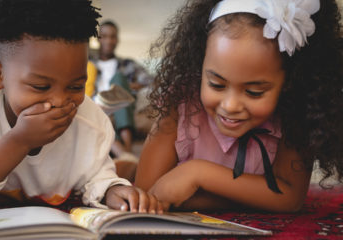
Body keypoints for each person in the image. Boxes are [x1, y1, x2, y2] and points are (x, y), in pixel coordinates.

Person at [0, 0, 164, 214]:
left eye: (76, 86)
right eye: (41, 86)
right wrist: (19, 141)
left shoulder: (91, 122)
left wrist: (113, 190)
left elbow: (98, 178)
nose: (59, 101)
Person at [135, 0, 343, 212]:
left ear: (291, 81)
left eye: (254, 92)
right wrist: (255, 197)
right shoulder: (179, 104)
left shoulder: (297, 113)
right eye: (216, 84)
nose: (231, 105)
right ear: (200, 64)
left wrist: (198, 174)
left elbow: (290, 198)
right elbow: (146, 193)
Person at [88, 20, 153, 181]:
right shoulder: (88, 63)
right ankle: (127, 155)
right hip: (98, 106)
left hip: (122, 105)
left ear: (117, 40)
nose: (109, 41)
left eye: (112, 37)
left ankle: (126, 151)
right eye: (105, 36)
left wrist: (130, 85)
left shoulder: (127, 64)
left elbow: (151, 81)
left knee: (118, 81)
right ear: (98, 39)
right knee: (97, 113)